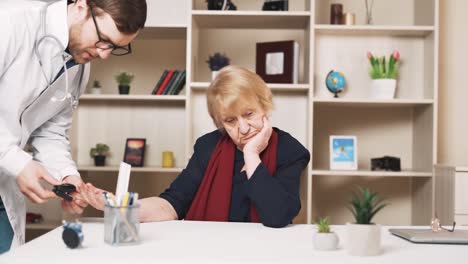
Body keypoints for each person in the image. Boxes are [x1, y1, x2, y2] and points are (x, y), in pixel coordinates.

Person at [0, 0, 146, 253]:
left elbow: (50, 131)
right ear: (80, 6)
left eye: (115, 48)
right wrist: (16, 160)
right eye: (104, 40)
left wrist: (69, 178)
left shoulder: (80, 67)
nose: (104, 54)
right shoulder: (11, 23)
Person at [84, 65, 310, 228]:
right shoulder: (208, 146)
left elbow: (278, 216)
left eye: (249, 114)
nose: (243, 128)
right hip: (208, 253)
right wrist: (121, 207)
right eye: (230, 121)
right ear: (220, 123)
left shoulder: (291, 151)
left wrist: (251, 155)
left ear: (265, 105)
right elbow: (173, 203)